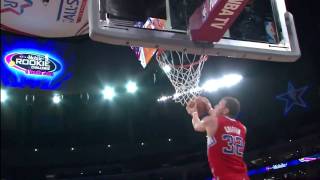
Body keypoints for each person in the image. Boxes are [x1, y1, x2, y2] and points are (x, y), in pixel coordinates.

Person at [186, 96, 249, 180]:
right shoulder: (243, 128)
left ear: (226, 110)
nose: (215, 106)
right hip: (243, 176)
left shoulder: (211, 121)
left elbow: (197, 126)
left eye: (219, 104)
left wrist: (193, 112)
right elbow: (222, 121)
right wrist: (209, 108)